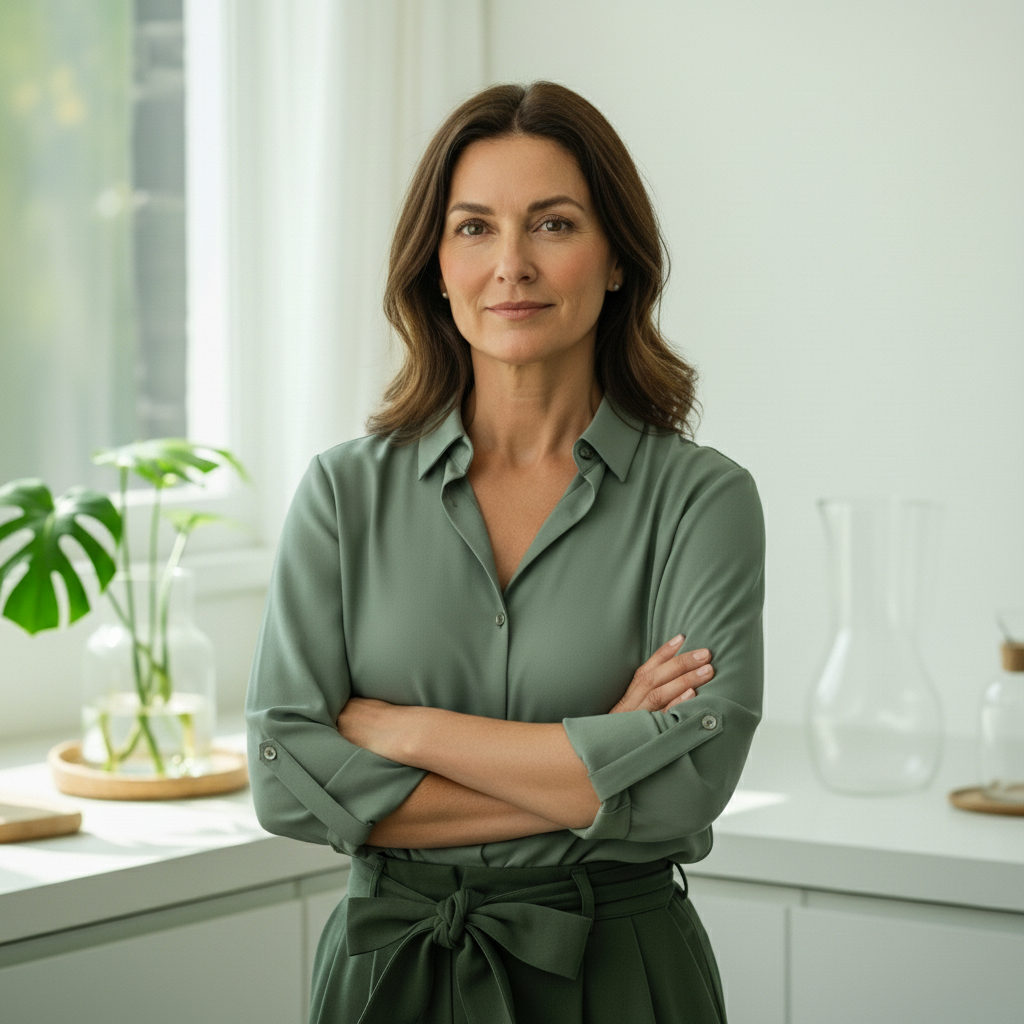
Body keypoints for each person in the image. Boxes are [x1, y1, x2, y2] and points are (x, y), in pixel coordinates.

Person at [246, 81, 764, 1024]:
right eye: (474, 228)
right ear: (435, 266)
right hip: (387, 977)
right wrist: (605, 755)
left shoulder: (704, 500)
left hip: (622, 975)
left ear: (616, 262)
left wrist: (406, 731)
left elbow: (691, 784)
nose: (511, 265)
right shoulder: (341, 494)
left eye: (554, 225)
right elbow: (284, 778)